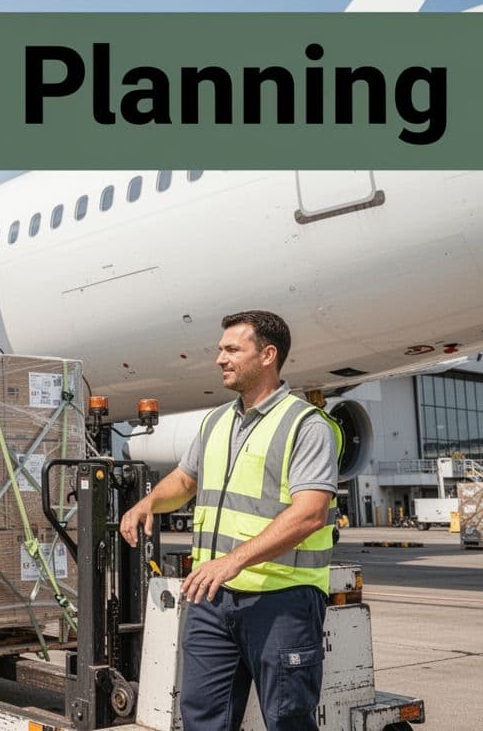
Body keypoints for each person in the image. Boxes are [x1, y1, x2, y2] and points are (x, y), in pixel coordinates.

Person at [120, 310, 341, 731]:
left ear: (267, 355)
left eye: (232, 349)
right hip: (213, 599)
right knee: (201, 714)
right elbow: (186, 480)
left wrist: (233, 560)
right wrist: (149, 501)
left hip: (282, 600)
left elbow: (311, 513)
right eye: (220, 350)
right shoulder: (216, 420)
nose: (220, 358)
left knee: (287, 719)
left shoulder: (306, 425)